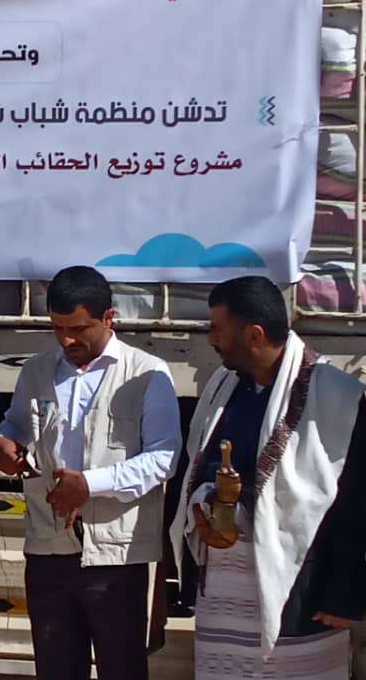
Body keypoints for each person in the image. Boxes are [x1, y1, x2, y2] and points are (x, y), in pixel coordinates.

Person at [170, 276, 366, 680]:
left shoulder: (340, 396)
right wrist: (207, 503)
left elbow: (355, 503)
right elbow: (197, 466)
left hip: (302, 590)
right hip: (225, 592)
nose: (211, 339)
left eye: (217, 329)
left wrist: (343, 593)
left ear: (254, 335)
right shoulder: (223, 388)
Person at [0, 266, 180, 680]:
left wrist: (89, 485)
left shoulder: (147, 372)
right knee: (56, 668)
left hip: (116, 554)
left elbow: (163, 458)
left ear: (109, 318)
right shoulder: (37, 370)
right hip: (49, 549)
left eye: (78, 329)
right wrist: (3, 443)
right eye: (57, 329)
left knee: (122, 668)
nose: (66, 340)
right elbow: (16, 425)